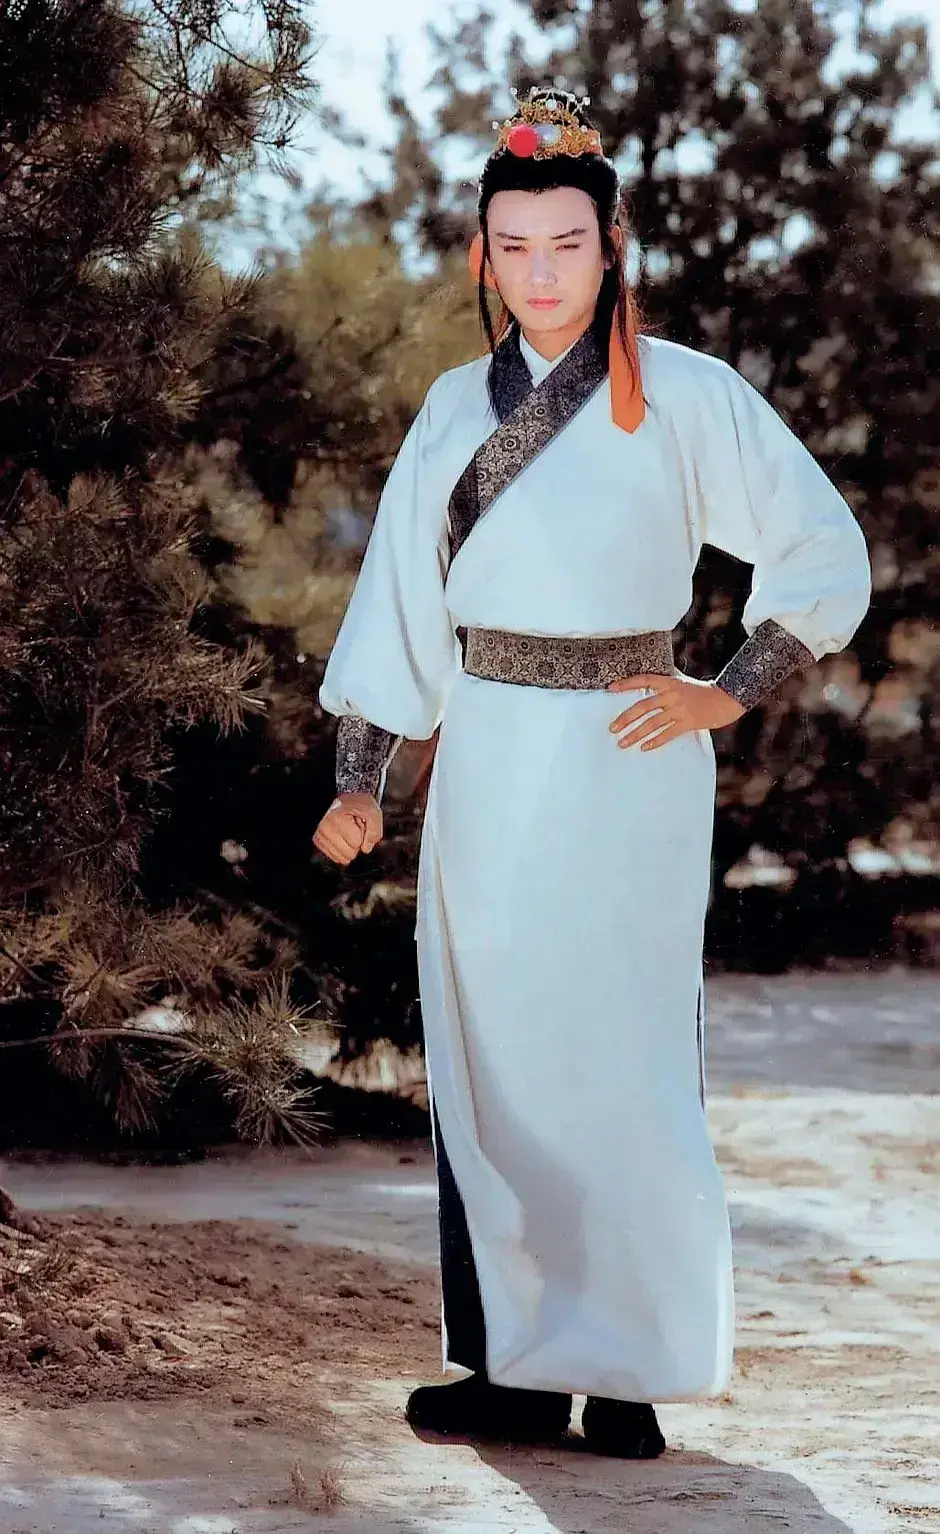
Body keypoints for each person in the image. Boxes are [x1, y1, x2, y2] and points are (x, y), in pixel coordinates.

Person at [312, 86, 871, 1460]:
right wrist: (363, 774)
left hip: (633, 754)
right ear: (483, 255)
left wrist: (728, 686)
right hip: (492, 757)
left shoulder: (687, 393)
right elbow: (400, 602)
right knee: (493, 1061)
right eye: (516, 246)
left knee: (624, 1058)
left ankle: (629, 1371)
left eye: (568, 242)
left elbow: (822, 547)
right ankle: (509, 1367)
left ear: (612, 245)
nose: (543, 271)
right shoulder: (454, 410)